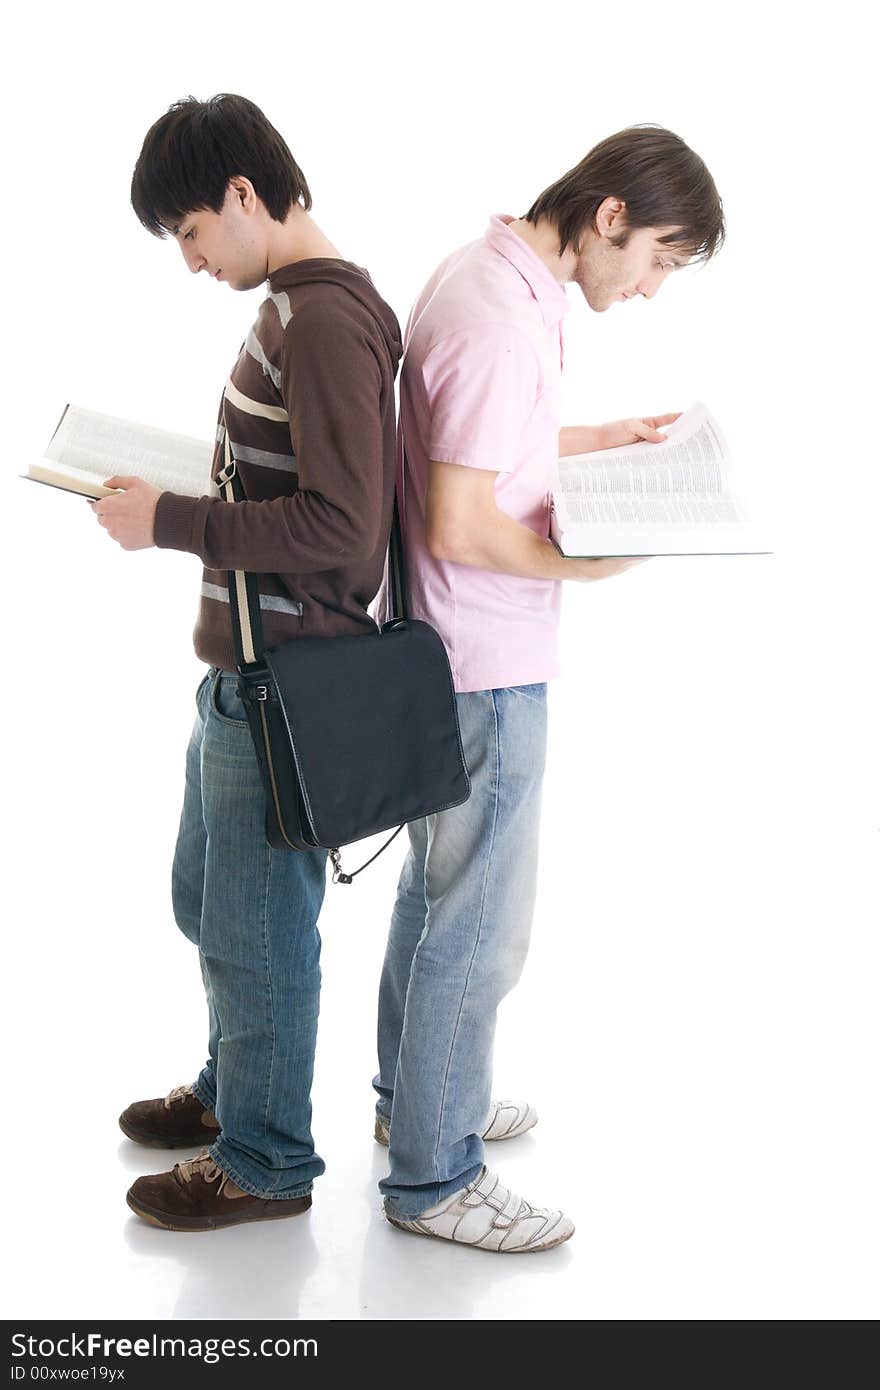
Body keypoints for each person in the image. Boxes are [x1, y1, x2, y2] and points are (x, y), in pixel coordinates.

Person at [373, 124, 725, 1253]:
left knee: (436, 899)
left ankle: (418, 1104)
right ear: (610, 215)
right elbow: (460, 518)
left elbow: (485, 452)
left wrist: (597, 441)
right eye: (662, 257)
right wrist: (588, 563)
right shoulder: (497, 319)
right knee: (480, 926)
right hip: (484, 662)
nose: (654, 286)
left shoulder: (493, 280)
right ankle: (436, 1176)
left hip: (449, 654)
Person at [95, 93, 402, 1231]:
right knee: (211, 902)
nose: (188, 261)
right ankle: (236, 1092)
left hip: (286, 681)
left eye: (187, 232)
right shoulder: (296, 306)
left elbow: (342, 528)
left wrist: (170, 519)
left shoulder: (323, 320)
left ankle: (264, 1159)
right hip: (244, 671)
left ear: (241, 194)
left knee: (259, 931)